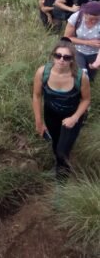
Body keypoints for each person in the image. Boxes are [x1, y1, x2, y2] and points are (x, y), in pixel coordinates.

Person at [32, 38, 90, 179]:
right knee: (56, 143)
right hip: (51, 114)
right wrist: (39, 122)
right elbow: (37, 95)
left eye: (66, 57)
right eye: (58, 55)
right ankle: (60, 166)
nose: (61, 60)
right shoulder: (42, 72)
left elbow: (86, 99)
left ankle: (62, 179)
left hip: (72, 116)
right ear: (53, 56)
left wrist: (74, 118)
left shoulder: (80, 77)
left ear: (72, 59)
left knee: (62, 151)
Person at [64, 1, 100, 82]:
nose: (93, 21)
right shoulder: (76, 17)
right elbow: (67, 38)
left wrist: (97, 62)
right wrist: (88, 42)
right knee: (81, 75)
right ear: (84, 14)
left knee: (91, 77)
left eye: (97, 19)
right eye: (90, 19)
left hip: (95, 53)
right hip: (78, 51)